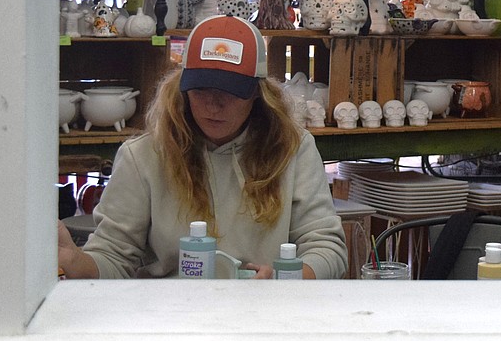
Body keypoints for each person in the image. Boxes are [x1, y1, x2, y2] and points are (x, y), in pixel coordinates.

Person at [58, 15, 348, 279]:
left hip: (263, 313)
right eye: (201, 90)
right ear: (182, 88)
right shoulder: (144, 157)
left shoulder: (293, 150)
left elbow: (327, 248)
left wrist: (286, 281)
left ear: (258, 94)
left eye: (230, 92)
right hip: (171, 321)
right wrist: (75, 261)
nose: (213, 105)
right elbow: (112, 256)